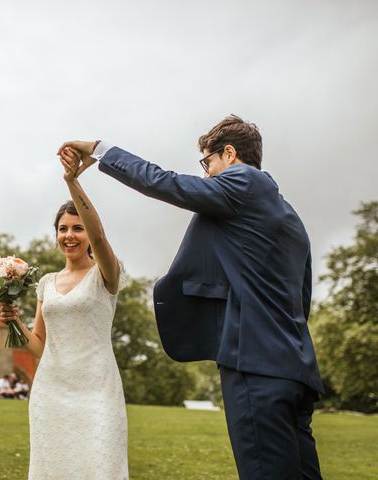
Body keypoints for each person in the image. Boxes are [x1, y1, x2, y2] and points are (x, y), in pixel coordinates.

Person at [59, 115, 324, 480]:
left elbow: (166, 183)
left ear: (229, 154)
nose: (206, 175)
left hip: (255, 365)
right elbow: (302, 297)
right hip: (296, 368)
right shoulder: (289, 217)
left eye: (208, 163)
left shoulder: (242, 182)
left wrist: (101, 150)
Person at [0, 151, 128, 480]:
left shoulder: (106, 274)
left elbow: (100, 237)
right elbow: (41, 345)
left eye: (77, 228)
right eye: (62, 229)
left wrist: (72, 181)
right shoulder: (46, 283)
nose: (69, 235)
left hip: (98, 389)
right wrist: (14, 321)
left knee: (100, 467)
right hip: (51, 390)